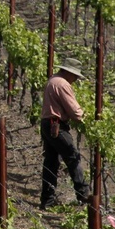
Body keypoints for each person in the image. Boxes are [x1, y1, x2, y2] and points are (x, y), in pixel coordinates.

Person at [40, 60, 91, 209]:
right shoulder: (62, 84)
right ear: (68, 72)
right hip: (56, 126)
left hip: (47, 124)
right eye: (75, 76)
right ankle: (84, 196)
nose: (75, 80)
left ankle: (47, 201)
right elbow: (75, 111)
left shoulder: (53, 80)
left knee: (51, 162)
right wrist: (87, 120)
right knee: (73, 156)